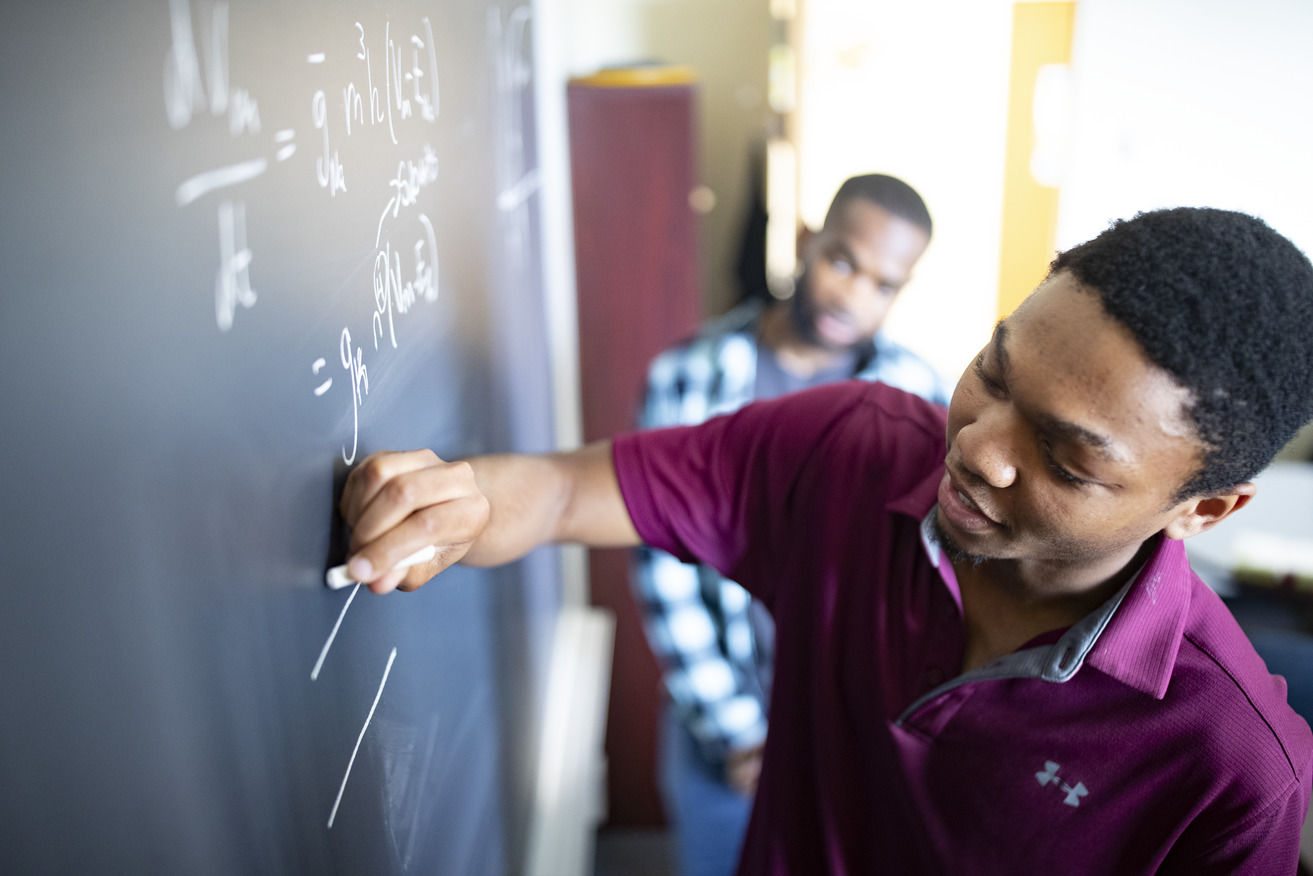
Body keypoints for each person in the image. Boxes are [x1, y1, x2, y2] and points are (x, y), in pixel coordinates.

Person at [337, 207, 1313, 874]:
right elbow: (556, 495)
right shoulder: (850, 446)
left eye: (1065, 458)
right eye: (994, 372)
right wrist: (459, 500)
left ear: (1202, 509)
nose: (975, 449)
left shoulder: (1233, 770)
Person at [634, 173, 949, 876]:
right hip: (721, 723)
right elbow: (662, 564)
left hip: (858, 729)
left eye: (882, 284)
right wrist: (741, 736)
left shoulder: (921, 396)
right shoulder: (688, 377)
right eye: (842, 261)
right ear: (807, 242)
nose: (852, 296)